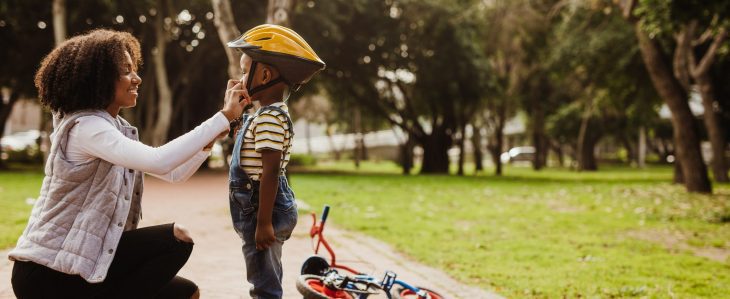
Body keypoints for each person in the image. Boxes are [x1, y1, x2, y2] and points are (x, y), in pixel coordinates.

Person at [8, 29, 249, 298]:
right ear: (97, 78)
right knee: (176, 240)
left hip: (84, 264)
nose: (137, 78)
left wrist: (213, 136)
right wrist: (223, 116)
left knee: (186, 293)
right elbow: (159, 160)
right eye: (125, 71)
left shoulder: (114, 127)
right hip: (47, 273)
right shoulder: (86, 127)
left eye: (134, 69)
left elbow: (174, 173)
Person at [226, 24, 325, 298]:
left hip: (262, 208)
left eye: (245, 71)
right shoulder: (263, 114)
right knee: (263, 278)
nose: (241, 78)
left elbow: (270, 173)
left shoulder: (270, 117)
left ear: (266, 74)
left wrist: (263, 222)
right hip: (259, 207)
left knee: (264, 286)